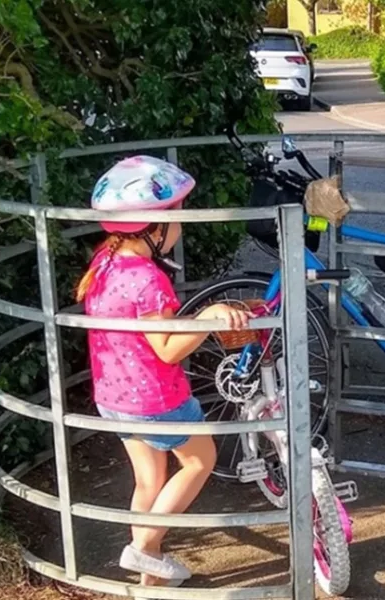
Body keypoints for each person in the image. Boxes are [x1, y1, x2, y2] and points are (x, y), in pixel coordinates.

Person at [76, 156, 252, 587]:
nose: (180, 227)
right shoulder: (149, 279)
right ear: (153, 227)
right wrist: (209, 316)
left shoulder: (104, 265)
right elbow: (169, 349)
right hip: (155, 399)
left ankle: (148, 582)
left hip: (114, 398)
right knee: (200, 460)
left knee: (150, 480)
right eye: (176, 218)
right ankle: (141, 550)